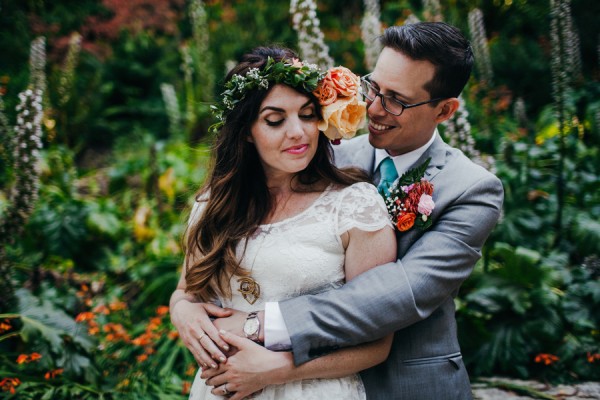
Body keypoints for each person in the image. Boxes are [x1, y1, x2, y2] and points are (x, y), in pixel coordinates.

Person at [177, 22, 505, 400]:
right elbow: (193, 284)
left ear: (445, 110)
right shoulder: (323, 157)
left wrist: (255, 328)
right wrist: (184, 310)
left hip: (405, 386)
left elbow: (395, 295)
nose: (373, 108)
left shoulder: (471, 189)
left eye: (396, 99)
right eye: (374, 87)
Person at [169, 45, 397, 399]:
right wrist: (182, 312)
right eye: (275, 120)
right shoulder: (215, 204)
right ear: (246, 131)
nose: (298, 133)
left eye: (307, 115)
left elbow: (378, 341)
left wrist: (278, 370)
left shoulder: (354, 207)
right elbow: (187, 291)